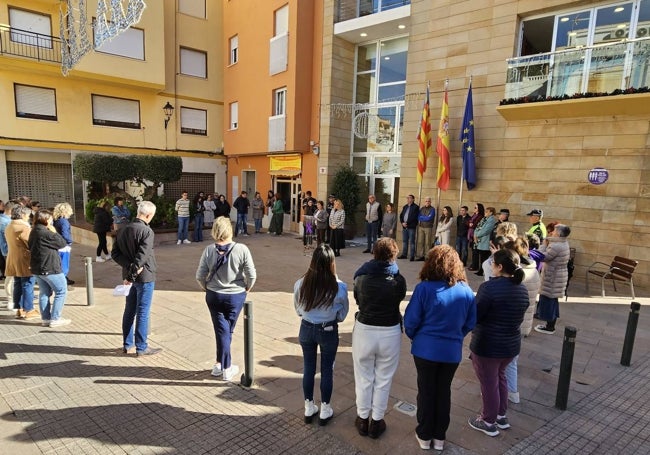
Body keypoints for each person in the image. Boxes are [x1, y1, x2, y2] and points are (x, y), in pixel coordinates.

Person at [404, 244, 476, 451]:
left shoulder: (424, 288)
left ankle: (425, 434)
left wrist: (416, 337)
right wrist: (456, 336)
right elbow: (470, 322)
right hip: (451, 351)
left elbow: (411, 321)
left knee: (426, 391)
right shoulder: (466, 291)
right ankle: (439, 436)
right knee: (443, 392)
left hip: (425, 349)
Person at [468, 249, 529, 437]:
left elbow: (476, 315)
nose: (491, 266)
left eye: (493, 263)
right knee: (500, 378)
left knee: (489, 383)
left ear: (500, 267)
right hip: (510, 345)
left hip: (488, 345)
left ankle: (488, 420)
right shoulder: (521, 288)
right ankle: (501, 415)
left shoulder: (490, 288)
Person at [352, 238, 406, 439]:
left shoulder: (361, 278)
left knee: (363, 376)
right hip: (389, 330)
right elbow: (399, 298)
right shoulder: (398, 280)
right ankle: (376, 421)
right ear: (393, 255)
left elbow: (358, 300)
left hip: (365, 328)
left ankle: (362, 417)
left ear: (374, 253)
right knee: (384, 379)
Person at [294, 244, 349, 426]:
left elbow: (299, 310)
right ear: (332, 263)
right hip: (328, 330)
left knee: (308, 367)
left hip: (307, 328)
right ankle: (325, 408)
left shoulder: (301, 284)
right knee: (327, 370)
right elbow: (342, 315)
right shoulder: (339, 287)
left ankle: (308, 406)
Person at [196, 217, 256, 381]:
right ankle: (227, 367)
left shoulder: (209, 250)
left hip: (214, 294)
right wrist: (247, 288)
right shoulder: (241, 249)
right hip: (235, 295)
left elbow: (199, 275)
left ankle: (219, 363)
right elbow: (252, 275)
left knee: (221, 329)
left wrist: (205, 287)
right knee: (227, 330)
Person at [111, 201, 161, 356]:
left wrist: (129, 270)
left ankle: (127, 344)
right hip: (143, 276)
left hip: (129, 275)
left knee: (129, 310)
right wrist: (132, 274)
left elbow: (115, 254)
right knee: (142, 311)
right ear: (148, 215)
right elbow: (142, 257)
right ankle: (141, 347)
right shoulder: (146, 231)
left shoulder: (123, 229)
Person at [504, 237, 540, 404]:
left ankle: (501, 398)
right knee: (512, 362)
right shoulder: (533, 268)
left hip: (511, 322)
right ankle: (513, 392)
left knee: (501, 365)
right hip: (522, 321)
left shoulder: (517, 278)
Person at [28, 210, 69, 327]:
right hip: (49, 267)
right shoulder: (45, 233)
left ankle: (46, 318)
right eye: (50, 219)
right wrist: (54, 232)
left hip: (37, 268)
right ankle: (55, 318)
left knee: (44, 292)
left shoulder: (34, 231)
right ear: (45, 220)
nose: (52, 221)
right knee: (61, 291)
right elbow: (62, 243)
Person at [534, 224, 571, 335]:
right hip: (555, 276)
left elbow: (543, 256)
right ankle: (549, 324)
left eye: (554, 230)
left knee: (549, 301)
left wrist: (543, 245)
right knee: (552, 300)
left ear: (558, 233)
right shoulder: (561, 242)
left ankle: (549, 327)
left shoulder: (556, 246)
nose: (552, 232)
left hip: (553, 277)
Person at [5, 205, 38, 319]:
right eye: (28, 215)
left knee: (18, 283)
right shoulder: (23, 228)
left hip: (13, 258)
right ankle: (29, 309)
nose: (28, 218)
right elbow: (31, 243)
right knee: (27, 283)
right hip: (24, 259)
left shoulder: (10, 226)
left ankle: (19, 308)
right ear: (23, 215)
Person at [53, 202, 74, 286]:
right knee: (64, 265)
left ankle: (63, 280)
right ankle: (62, 282)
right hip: (63, 246)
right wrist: (69, 241)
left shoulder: (56, 220)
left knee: (59, 264)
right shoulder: (64, 221)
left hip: (57, 244)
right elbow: (65, 234)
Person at [473, 207, 497, 276]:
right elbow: (477, 227)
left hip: (485, 241)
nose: (485, 213)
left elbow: (486, 230)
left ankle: (482, 270)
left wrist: (477, 235)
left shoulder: (492, 220)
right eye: (485, 211)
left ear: (491, 213)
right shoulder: (484, 219)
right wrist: (475, 235)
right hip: (480, 240)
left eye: (487, 212)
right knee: (481, 256)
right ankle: (481, 270)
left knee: (484, 257)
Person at [398, 194, 419, 261]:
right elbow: (401, 216)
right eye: (407, 198)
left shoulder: (416, 207)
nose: (408, 199)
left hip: (411, 227)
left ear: (413, 199)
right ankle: (404, 255)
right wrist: (402, 223)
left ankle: (412, 256)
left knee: (412, 242)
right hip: (404, 227)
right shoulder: (405, 207)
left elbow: (414, 217)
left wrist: (407, 223)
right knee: (404, 241)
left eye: (409, 198)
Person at [414, 197, 435, 261]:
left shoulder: (432, 209)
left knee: (427, 242)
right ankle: (421, 256)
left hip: (428, 227)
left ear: (430, 202)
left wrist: (423, 218)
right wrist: (424, 218)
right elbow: (419, 217)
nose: (427, 202)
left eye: (428, 201)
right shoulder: (422, 208)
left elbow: (430, 218)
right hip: (421, 227)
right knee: (420, 242)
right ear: (424, 202)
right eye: (426, 201)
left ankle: (427, 256)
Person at [467, 203, 484, 271]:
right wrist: (470, 224)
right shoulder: (474, 215)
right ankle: (473, 264)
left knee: (475, 252)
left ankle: (475, 265)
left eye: (475, 207)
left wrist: (471, 224)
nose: (474, 209)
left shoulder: (480, 216)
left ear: (479, 209)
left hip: (475, 235)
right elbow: (468, 222)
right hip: (471, 235)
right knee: (473, 251)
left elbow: (476, 225)